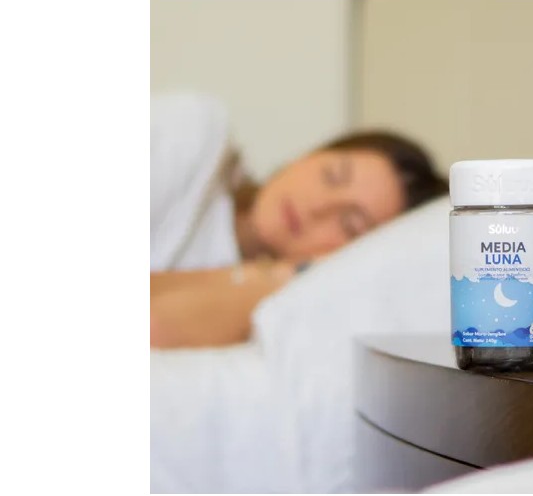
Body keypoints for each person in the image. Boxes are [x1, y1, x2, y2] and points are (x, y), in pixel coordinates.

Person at [150, 93, 447, 349]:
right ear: (312, 154)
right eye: (332, 176)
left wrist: (280, 276)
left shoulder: (270, 316)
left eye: (349, 225)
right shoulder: (194, 138)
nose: (318, 207)